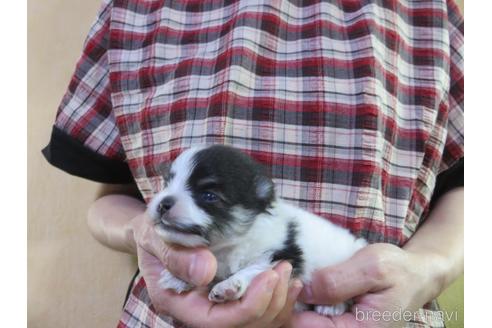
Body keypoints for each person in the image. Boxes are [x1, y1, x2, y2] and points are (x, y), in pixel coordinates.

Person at [42, 0, 464, 327]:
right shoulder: (134, 11)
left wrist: (425, 270)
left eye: (206, 193)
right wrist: (141, 232)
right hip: (169, 316)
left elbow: (468, 187)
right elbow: (112, 198)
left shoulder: (428, 13)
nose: (169, 199)